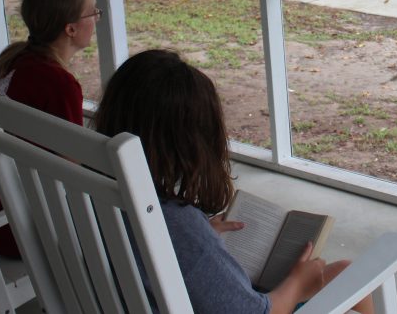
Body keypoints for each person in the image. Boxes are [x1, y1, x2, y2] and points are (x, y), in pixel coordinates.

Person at [93, 49, 374, 314]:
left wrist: (201, 238)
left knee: (345, 270)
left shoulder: (87, 192)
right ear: (192, 142)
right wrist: (298, 285)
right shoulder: (175, 223)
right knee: (358, 282)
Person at [0, 0, 99, 257]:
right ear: (71, 28)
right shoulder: (59, 84)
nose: (97, 19)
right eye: (93, 12)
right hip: (17, 229)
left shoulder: (15, 59)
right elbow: (73, 171)